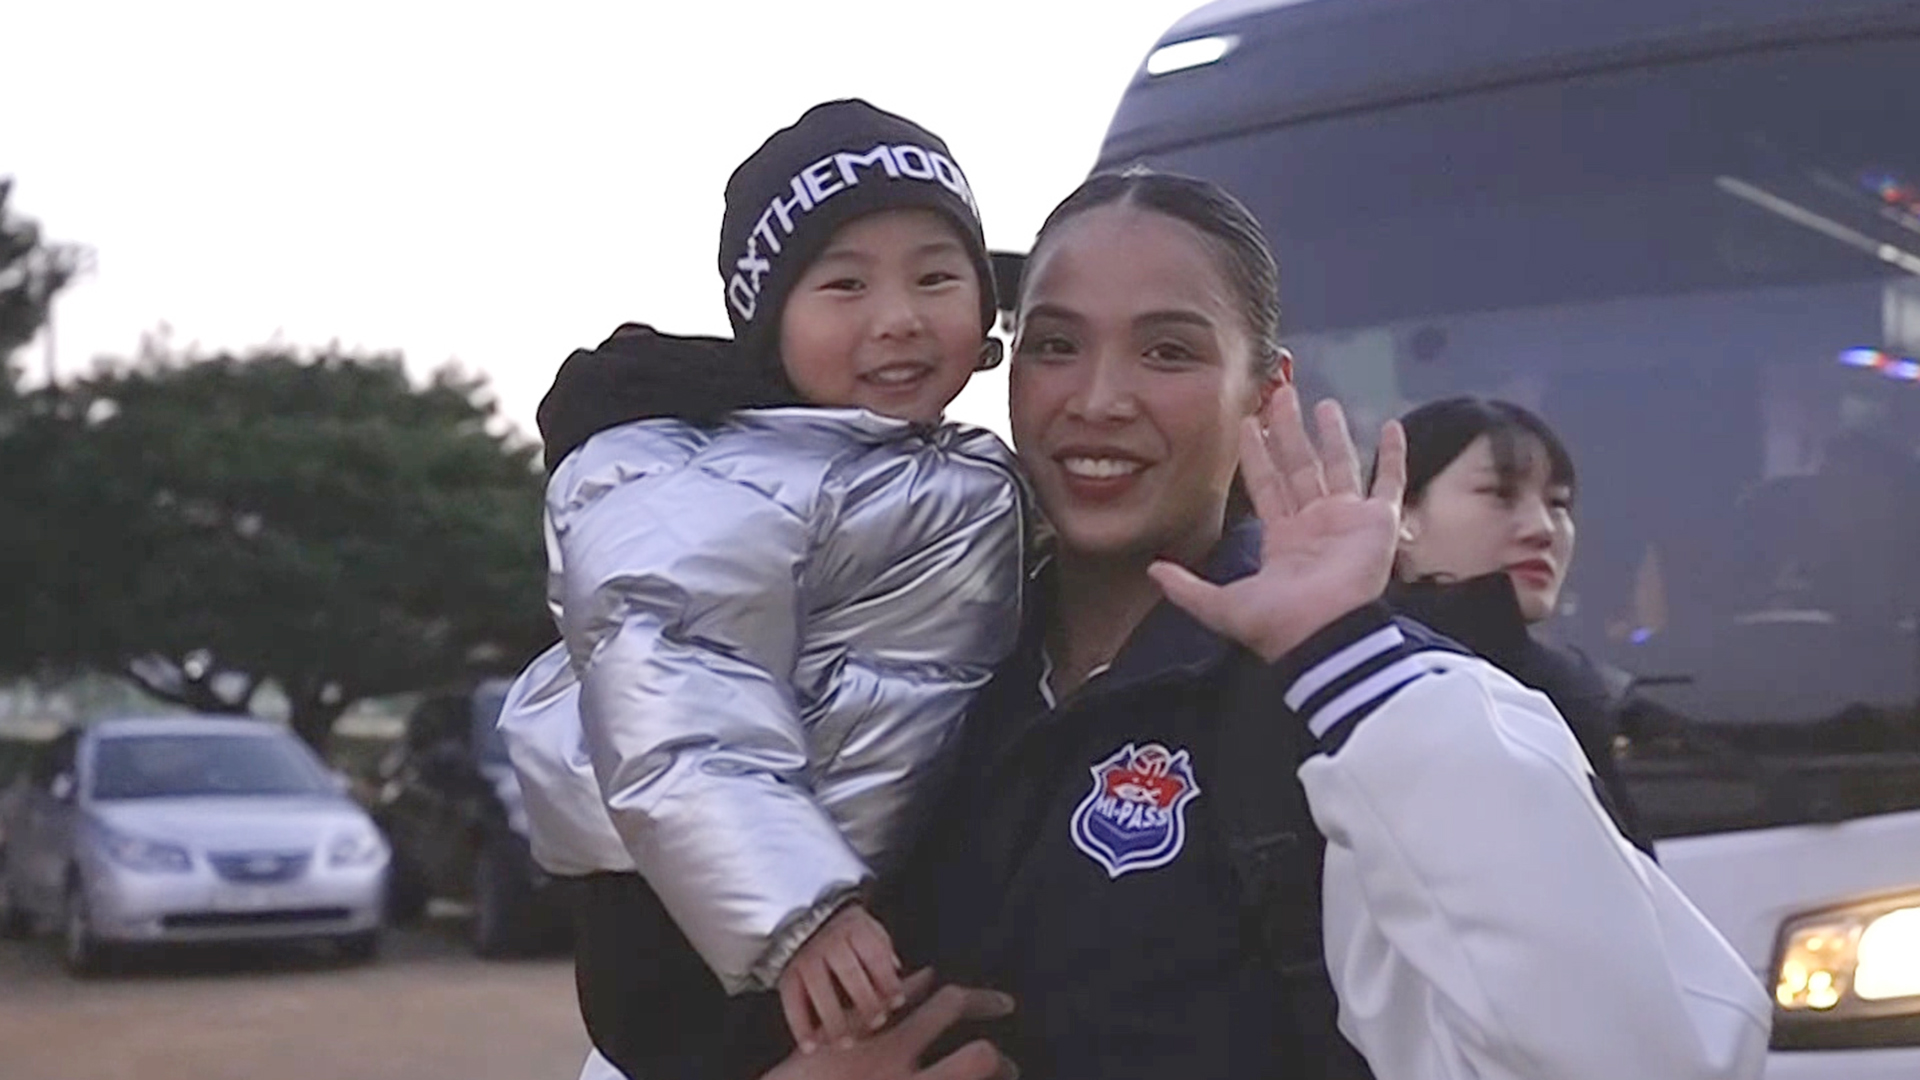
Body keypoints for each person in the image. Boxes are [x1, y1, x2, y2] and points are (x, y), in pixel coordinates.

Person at [891, 170, 1770, 1080]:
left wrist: (1344, 662)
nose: (1099, 398)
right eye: (1056, 344)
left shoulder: (1373, 705)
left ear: (1263, 389)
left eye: (1169, 353)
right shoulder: (917, 665)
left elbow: (1640, 1056)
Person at [499, 99, 1027, 1080]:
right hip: (707, 930)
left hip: (831, 902)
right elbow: (675, 695)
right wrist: (796, 910)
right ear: (766, 321)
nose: (899, 317)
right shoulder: (712, 476)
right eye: (843, 285)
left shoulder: (934, 466)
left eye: (937, 276)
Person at [1382, 396, 1656, 855]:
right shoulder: (1364, 684)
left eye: (1558, 503)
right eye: (1501, 494)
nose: (1543, 528)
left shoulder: (1575, 690)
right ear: (1403, 514)